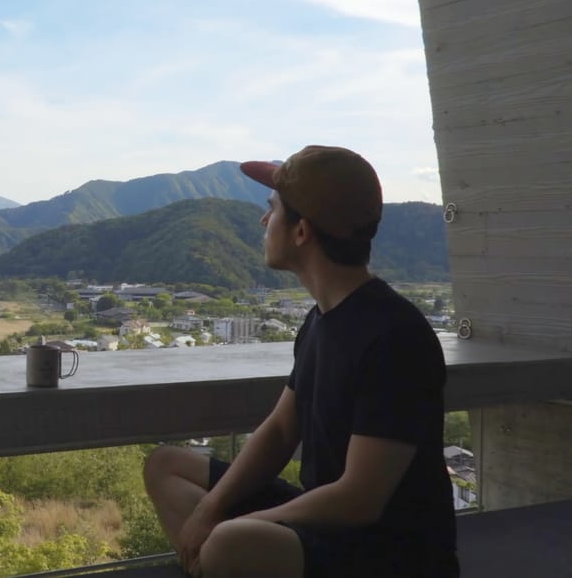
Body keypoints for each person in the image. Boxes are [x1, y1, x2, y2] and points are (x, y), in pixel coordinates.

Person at [143, 145, 459, 577]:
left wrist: (232, 524)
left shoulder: (394, 335)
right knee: (166, 466)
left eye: (271, 210)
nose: (262, 221)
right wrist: (211, 509)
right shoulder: (322, 319)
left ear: (301, 231)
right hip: (332, 525)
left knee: (229, 543)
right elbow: (278, 431)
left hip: (389, 551)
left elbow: (359, 499)